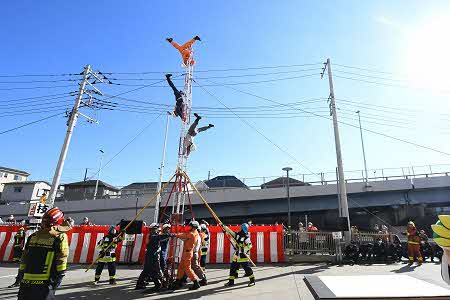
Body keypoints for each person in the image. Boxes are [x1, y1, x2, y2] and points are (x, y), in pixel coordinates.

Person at [16, 207, 71, 300]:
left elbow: (24, 258)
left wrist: (20, 274)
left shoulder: (33, 236)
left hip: (26, 282)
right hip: (45, 283)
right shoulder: (60, 237)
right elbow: (62, 258)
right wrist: (59, 276)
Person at [136, 223, 173, 291]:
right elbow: (159, 237)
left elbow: (159, 237)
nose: (158, 230)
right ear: (153, 229)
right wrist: (168, 235)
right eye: (156, 229)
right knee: (156, 271)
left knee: (146, 271)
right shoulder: (152, 236)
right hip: (153, 256)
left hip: (150, 256)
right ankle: (158, 285)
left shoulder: (152, 235)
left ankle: (140, 284)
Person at [170, 221, 201, 290]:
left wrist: (174, 234)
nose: (189, 227)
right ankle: (178, 281)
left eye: (190, 226)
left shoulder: (192, 234)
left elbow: (183, 235)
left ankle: (195, 282)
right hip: (186, 253)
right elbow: (184, 235)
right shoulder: (195, 233)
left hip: (187, 253)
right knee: (181, 267)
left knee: (187, 268)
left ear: (194, 227)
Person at [222, 223, 255, 287]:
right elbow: (231, 232)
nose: (239, 228)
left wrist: (243, 249)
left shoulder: (246, 237)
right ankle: (231, 282)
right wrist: (224, 227)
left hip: (243, 256)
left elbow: (250, 246)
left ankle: (252, 281)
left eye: (241, 228)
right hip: (237, 255)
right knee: (232, 268)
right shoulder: (238, 235)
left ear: (243, 229)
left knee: (247, 269)